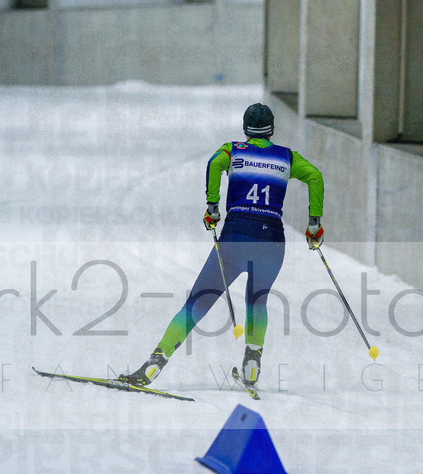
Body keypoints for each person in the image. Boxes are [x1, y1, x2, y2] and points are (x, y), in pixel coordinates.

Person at [119, 103, 325, 389]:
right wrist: (313, 223)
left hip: (236, 239)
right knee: (258, 300)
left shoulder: (233, 150)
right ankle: (252, 364)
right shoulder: (287, 157)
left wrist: (212, 206)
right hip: (272, 242)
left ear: (245, 129)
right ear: (271, 130)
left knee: (197, 303)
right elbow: (315, 176)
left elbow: (214, 163)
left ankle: (156, 362)